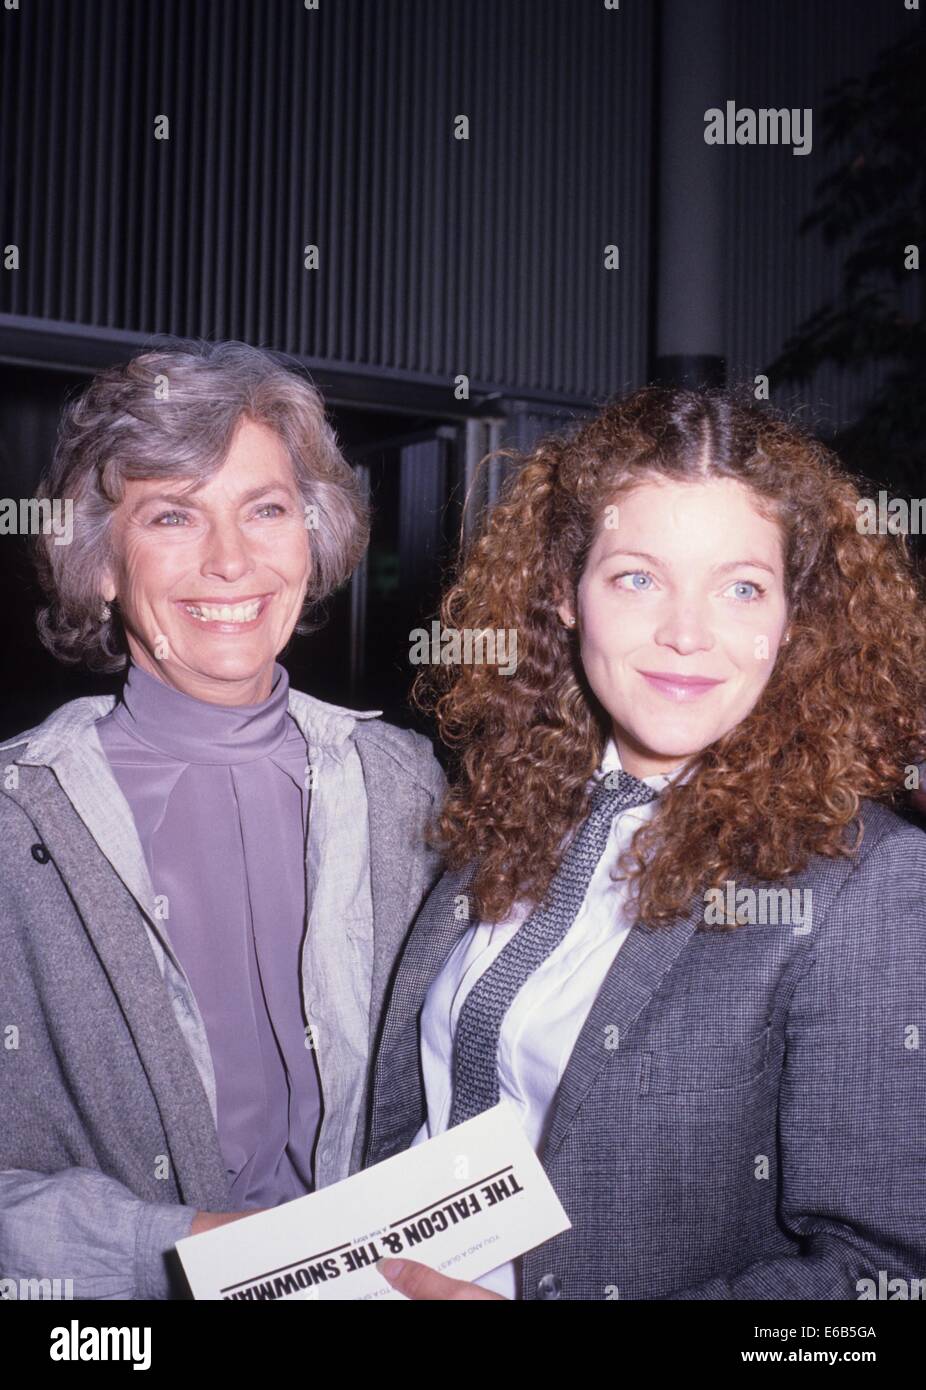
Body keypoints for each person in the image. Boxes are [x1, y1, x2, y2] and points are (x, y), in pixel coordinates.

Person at [369, 385, 926, 1301]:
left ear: (795, 621)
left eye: (742, 587)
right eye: (638, 576)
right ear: (562, 591)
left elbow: (878, 1286)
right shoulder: (511, 803)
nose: (686, 632)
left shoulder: (867, 885)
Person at [0, 340, 445, 1300]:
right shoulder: (13, 827)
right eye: (171, 515)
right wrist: (199, 1248)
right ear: (102, 564)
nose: (231, 561)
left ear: (312, 537)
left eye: (266, 509)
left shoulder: (406, 785)